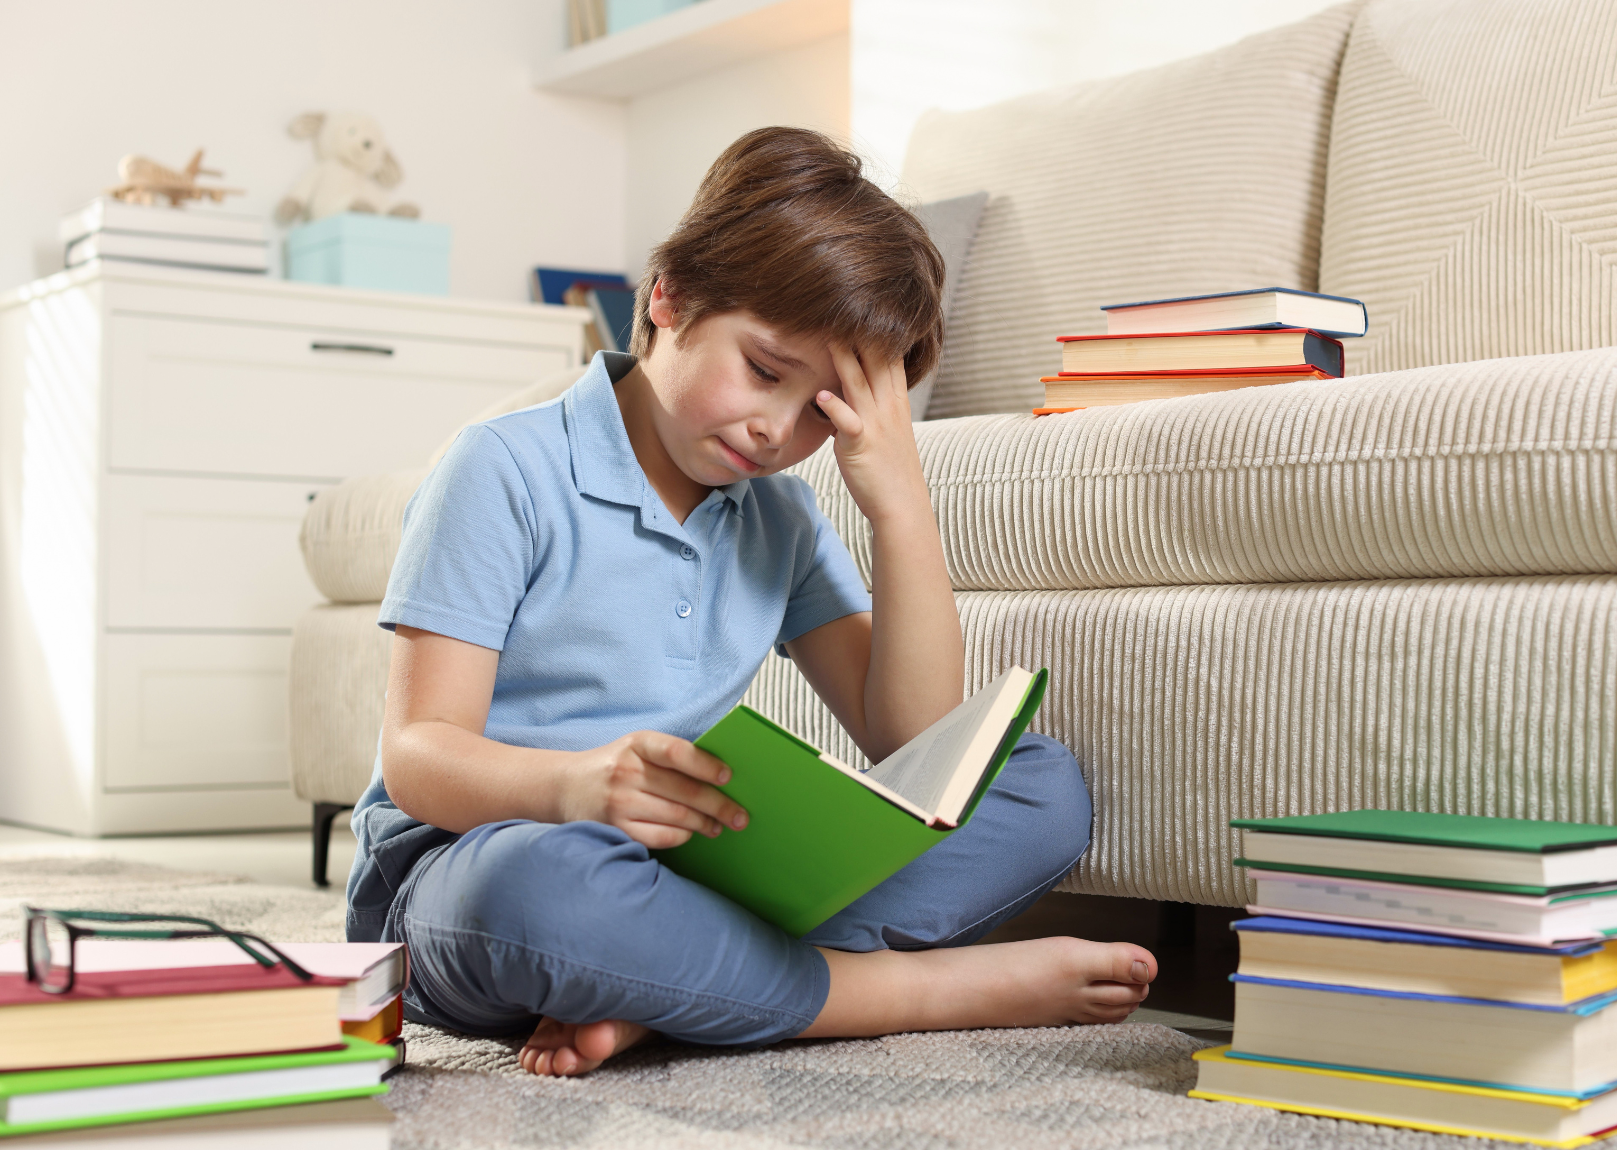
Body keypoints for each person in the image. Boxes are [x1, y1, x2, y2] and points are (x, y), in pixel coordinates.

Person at [344, 126, 1157, 1078]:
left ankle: (668, 992)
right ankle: (905, 991)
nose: (776, 429)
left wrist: (898, 498)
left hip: (685, 876)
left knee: (1037, 784)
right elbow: (418, 759)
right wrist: (574, 789)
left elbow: (918, 744)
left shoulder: (780, 516)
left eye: (822, 410)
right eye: (766, 371)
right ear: (670, 298)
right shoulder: (505, 468)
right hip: (474, 870)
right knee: (541, 887)